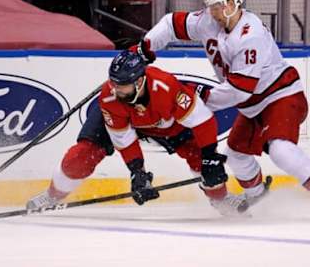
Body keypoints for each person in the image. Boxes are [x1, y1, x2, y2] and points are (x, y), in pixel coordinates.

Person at [132, 0, 310, 222]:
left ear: (232, 4)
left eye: (217, 7)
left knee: (281, 150)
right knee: (234, 155)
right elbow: (170, 24)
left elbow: (239, 91)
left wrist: (201, 95)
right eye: (210, 7)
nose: (212, 13)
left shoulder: (250, 35)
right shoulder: (210, 21)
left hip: (280, 95)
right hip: (252, 106)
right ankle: (259, 196)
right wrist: (146, 47)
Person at [27, 50, 249, 215]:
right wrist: (137, 172)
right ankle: (52, 196)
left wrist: (210, 157)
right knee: (79, 157)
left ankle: (220, 199)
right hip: (128, 121)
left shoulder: (166, 88)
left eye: (122, 85)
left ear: (140, 80)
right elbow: (122, 138)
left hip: (165, 123)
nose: (115, 89)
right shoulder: (110, 97)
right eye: (113, 83)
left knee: (203, 163)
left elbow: (202, 121)